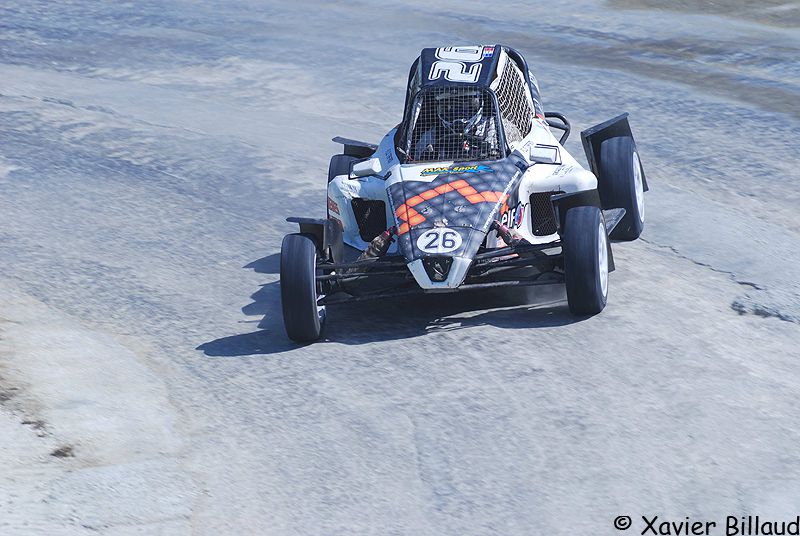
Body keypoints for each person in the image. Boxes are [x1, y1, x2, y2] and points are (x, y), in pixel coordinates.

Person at [412, 90, 499, 161]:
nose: (458, 114)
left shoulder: (491, 127)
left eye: (466, 107)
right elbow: (414, 161)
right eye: (449, 108)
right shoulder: (431, 136)